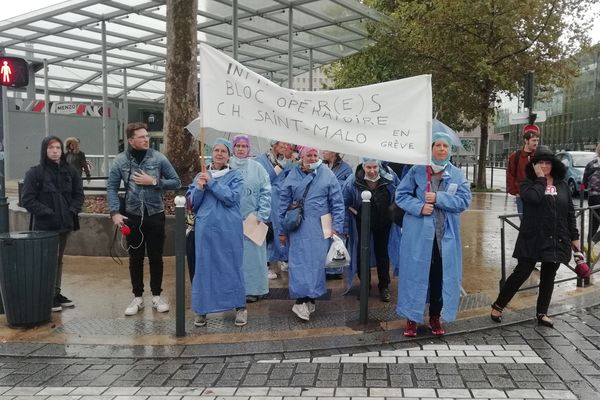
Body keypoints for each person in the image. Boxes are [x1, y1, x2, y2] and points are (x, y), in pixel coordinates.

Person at [491, 145, 579, 328]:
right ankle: (499, 305)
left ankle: (542, 312)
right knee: (521, 272)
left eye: (548, 162)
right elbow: (533, 199)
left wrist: (574, 236)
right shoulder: (528, 184)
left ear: (553, 164)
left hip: (557, 236)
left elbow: (570, 212)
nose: (545, 166)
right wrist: (540, 179)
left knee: (549, 275)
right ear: (534, 165)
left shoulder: (561, 184)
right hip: (533, 236)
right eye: (541, 163)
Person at [395, 132, 472, 337]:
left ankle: (435, 317)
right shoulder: (417, 171)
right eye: (437, 145)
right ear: (430, 148)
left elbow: (464, 201)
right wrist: (420, 206)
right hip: (418, 237)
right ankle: (412, 318)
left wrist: (439, 198)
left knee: (439, 278)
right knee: (415, 276)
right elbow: (401, 196)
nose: (441, 149)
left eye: (445, 146)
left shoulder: (456, 175)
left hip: (443, 239)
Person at [107, 122, 181, 316]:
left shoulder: (158, 158)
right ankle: (138, 298)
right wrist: (115, 212)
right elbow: (112, 187)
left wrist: (154, 181)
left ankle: (157, 296)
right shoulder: (121, 161)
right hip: (132, 216)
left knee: (156, 257)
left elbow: (176, 181)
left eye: (146, 135)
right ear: (131, 140)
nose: (146, 139)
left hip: (155, 215)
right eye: (141, 137)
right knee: (136, 258)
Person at [278, 146, 345, 321]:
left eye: (315, 154)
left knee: (316, 264)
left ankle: (310, 298)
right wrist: (281, 231)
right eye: (309, 155)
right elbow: (283, 202)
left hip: (320, 226)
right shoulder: (292, 174)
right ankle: (302, 299)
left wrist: (336, 226)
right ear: (302, 156)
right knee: (299, 264)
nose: (313, 158)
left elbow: (337, 202)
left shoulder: (327, 174)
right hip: (298, 226)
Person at [187, 138, 248, 327]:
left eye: (223, 151)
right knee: (204, 268)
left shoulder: (235, 175)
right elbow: (193, 204)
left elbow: (232, 198)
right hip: (205, 230)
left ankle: (240, 307)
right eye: (216, 150)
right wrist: (199, 187)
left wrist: (212, 184)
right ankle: (202, 309)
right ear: (211, 153)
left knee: (232, 266)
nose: (219, 154)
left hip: (229, 229)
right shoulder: (201, 175)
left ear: (229, 156)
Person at [21, 136, 85, 312]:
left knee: (58, 260)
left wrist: (71, 210)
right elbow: (27, 199)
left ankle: (55, 293)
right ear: (45, 150)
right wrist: (48, 213)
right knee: (45, 261)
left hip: (64, 225)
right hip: (44, 227)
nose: (55, 151)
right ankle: (46, 295)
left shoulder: (70, 171)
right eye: (51, 148)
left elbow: (78, 195)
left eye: (58, 147)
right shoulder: (35, 173)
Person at [342, 159, 397, 302]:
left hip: (384, 221)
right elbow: (344, 202)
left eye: (375, 167)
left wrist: (394, 213)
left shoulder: (389, 176)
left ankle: (384, 286)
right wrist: (351, 220)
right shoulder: (352, 181)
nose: (372, 171)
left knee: (382, 253)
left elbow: (399, 194)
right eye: (369, 167)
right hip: (362, 222)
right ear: (363, 166)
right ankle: (364, 285)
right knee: (362, 253)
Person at [229, 135, 272, 303]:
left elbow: (266, 191)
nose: (241, 149)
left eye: (244, 146)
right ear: (233, 148)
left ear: (249, 148)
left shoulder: (258, 168)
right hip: (231, 220)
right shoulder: (226, 166)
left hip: (253, 220)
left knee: (254, 258)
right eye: (238, 146)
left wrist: (262, 214)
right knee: (234, 257)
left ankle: (255, 289)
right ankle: (235, 289)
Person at [257, 140, 291, 279]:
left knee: (282, 229)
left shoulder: (286, 160)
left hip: (282, 200)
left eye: (285, 144)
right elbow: (264, 180)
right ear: (274, 144)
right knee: (268, 231)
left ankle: (283, 258)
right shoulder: (260, 160)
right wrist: (278, 168)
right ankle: (265, 265)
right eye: (281, 144)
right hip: (268, 200)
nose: (284, 146)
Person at [507, 124, 540, 216]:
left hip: (536, 194)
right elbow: (511, 174)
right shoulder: (516, 156)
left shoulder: (538, 155)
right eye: (533, 140)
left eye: (537, 140)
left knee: (537, 221)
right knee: (524, 220)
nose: (536, 143)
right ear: (526, 141)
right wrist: (515, 192)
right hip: (521, 194)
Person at [583, 143, 600, 246]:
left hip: (592, 198)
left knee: (593, 224)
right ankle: (592, 243)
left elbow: (584, 183)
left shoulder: (591, 164)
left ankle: (589, 249)